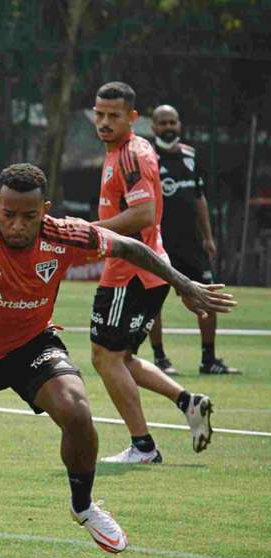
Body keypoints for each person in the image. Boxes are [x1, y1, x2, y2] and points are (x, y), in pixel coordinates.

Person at [0, 163, 234, 553]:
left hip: (33, 347)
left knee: (76, 409)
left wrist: (184, 284)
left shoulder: (65, 233)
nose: (18, 225)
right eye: (9, 214)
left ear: (46, 210)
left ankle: (84, 506)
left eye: (29, 216)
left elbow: (133, 247)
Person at [90, 82, 226, 465]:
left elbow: (143, 214)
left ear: (132, 118)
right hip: (143, 268)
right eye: (99, 114)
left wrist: (90, 230)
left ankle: (143, 447)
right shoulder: (123, 150)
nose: (104, 122)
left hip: (129, 271)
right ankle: (188, 402)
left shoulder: (131, 155)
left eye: (113, 116)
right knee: (121, 357)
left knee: (106, 358)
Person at [148, 104, 240, 376]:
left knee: (207, 297)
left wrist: (208, 237)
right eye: (162, 123)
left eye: (172, 122)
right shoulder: (146, 157)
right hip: (159, 244)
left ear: (180, 124)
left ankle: (208, 359)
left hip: (191, 245)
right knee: (153, 303)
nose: (168, 127)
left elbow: (199, 198)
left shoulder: (190, 156)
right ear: (153, 128)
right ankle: (160, 359)